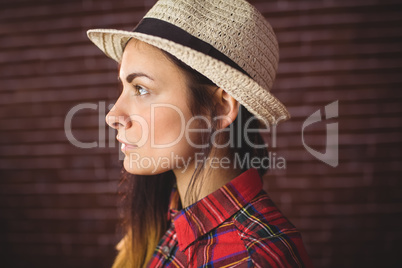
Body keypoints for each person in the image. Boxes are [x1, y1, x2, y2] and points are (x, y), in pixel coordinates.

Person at [87, 0, 313, 267]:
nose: (113, 116)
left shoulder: (256, 258)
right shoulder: (167, 215)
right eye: (124, 88)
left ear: (220, 108)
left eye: (141, 89)